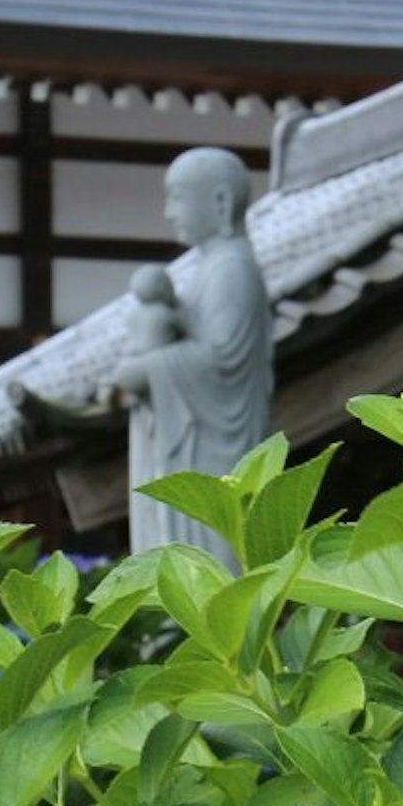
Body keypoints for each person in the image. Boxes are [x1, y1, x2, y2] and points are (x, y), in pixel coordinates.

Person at [112, 148, 275, 567]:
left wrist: (146, 368)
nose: (168, 212)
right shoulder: (209, 267)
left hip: (211, 446)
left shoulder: (232, 269)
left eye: (179, 196)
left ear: (220, 202)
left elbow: (223, 362)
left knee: (211, 562)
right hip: (188, 437)